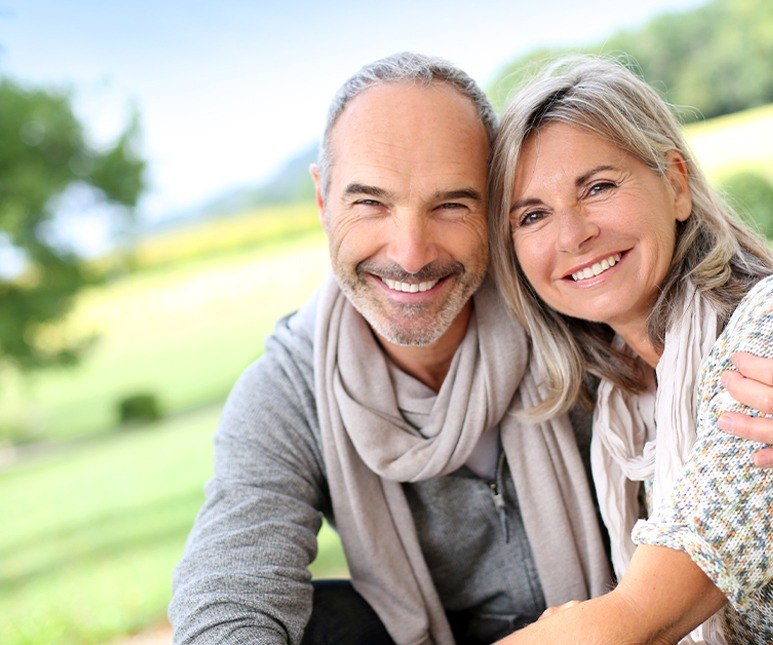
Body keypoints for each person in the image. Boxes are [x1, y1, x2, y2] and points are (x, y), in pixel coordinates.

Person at [168, 52, 614, 645]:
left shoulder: (576, 304)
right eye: (370, 203)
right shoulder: (291, 389)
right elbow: (224, 596)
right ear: (323, 202)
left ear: (495, 205)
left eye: (452, 204)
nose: (410, 254)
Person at [488, 55, 773, 643]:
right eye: (534, 215)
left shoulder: (761, 332)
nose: (572, 235)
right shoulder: (618, 406)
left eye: (597, 187)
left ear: (674, 183)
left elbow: (630, 623)